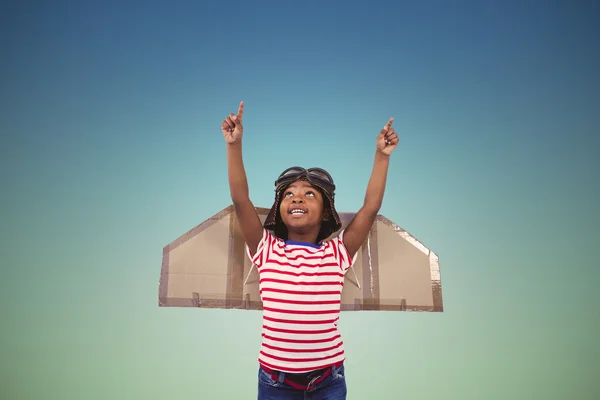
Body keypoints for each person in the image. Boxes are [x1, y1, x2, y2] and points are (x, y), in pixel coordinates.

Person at [221, 101, 399, 400]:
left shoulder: (337, 253)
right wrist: (234, 145)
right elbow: (241, 199)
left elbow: (370, 209)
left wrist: (381, 156)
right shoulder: (266, 249)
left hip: (328, 379)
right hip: (275, 382)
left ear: (326, 212)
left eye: (309, 194)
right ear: (280, 209)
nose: (297, 198)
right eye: (289, 194)